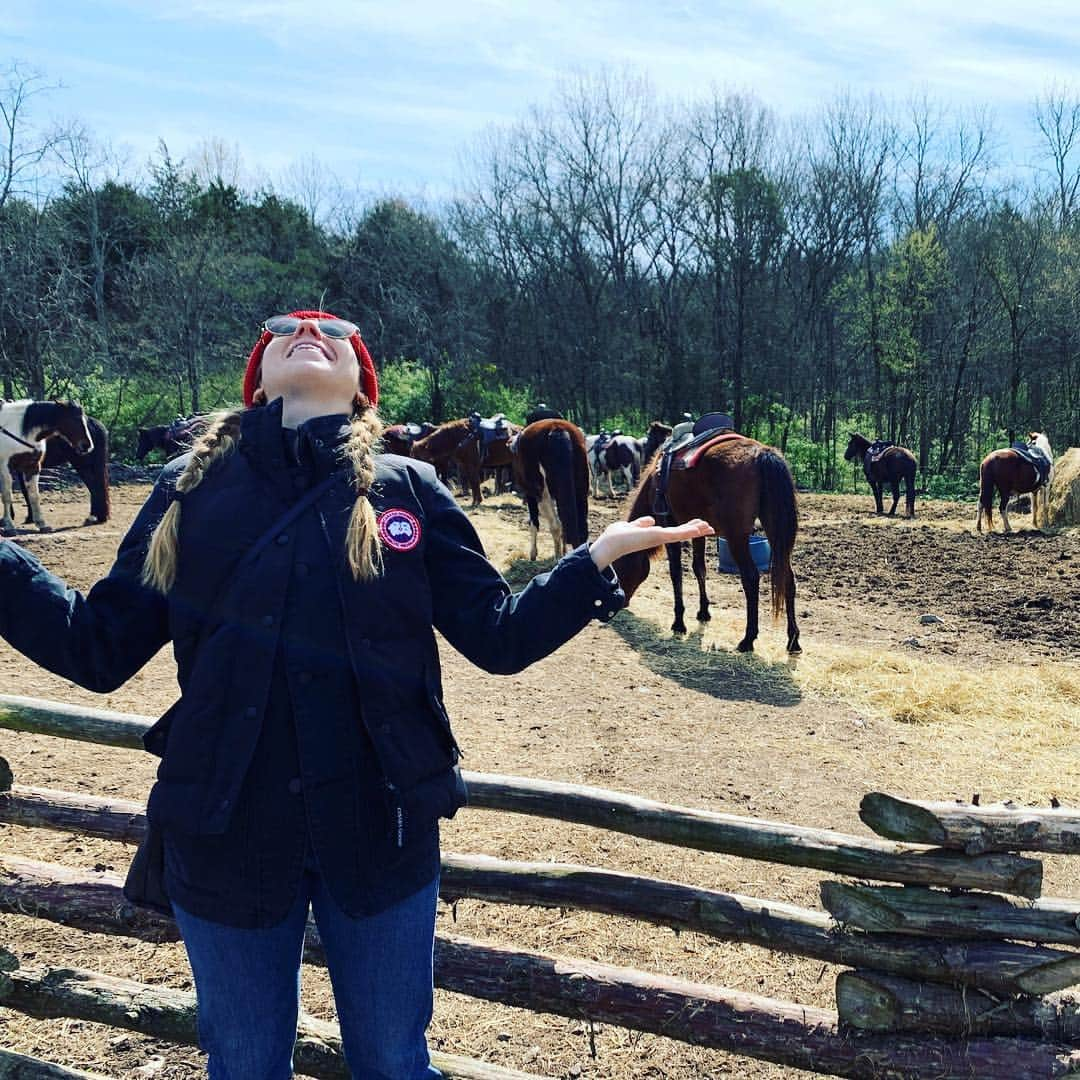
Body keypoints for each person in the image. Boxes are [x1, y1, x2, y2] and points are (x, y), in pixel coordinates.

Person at [0, 310, 712, 1079]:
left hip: (382, 821)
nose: (308, 331)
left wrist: (593, 561)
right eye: (284, 330)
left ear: (361, 383)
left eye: (333, 330)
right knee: (242, 1067)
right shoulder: (188, 487)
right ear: (260, 375)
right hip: (223, 827)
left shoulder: (413, 488)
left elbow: (498, 637)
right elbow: (97, 646)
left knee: (393, 1065)